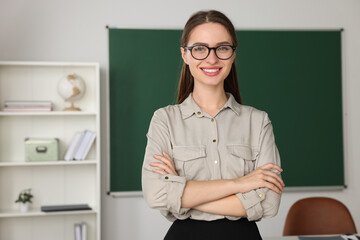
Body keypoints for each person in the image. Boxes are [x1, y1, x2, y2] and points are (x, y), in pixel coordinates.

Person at [142, 10, 284, 240]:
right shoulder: (164, 120)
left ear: (233, 54)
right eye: (199, 48)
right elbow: (156, 194)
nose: (212, 58)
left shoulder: (258, 122)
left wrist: (183, 194)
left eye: (222, 48)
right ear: (185, 54)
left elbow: (268, 203)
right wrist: (240, 184)